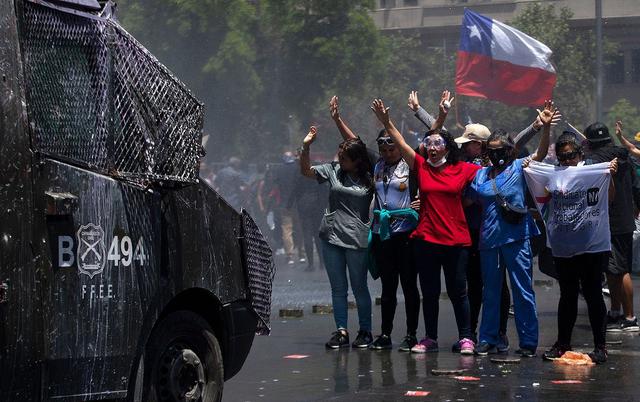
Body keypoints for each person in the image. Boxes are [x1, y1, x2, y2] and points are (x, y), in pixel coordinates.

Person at [371, 91, 480, 355]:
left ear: (447, 147)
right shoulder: (421, 166)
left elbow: (496, 175)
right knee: (429, 292)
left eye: (437, 144)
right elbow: (401, 143)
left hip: (456, 241)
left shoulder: (463, 169)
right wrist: (387, 122)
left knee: (458, 292)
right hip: (426, 240)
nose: (431, 147)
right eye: (428, 144)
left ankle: (466, 337)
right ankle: (429, 338)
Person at [328, 95, 421, 352]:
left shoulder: (411, 164)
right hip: (383, 234)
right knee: (388, 287)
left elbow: (426, 181)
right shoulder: (377, 165)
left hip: (406, 234)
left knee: (409, 285)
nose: (388, 153)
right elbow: (355, 144)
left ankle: (412, 334)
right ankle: (385, 334)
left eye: (392, 148)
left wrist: (387, 121)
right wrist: (337, 119)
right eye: (383, 149)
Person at [467, 100, 557, 357]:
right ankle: (488, 338)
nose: (497, 154)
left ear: (510, 150)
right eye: (492, 150)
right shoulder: (480, 175)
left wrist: (545, 128)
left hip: (517, 239)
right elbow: (463, 197)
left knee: (523, 291)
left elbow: (539, 155)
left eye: (502, 149)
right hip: (489, 241)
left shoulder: (519, 167)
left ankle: (528, 342)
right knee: (491, 293)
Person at [524, 132, 618, 364]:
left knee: (593, 293)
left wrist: (610, 177)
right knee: (567, 295)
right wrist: (530, 168)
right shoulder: (554, 175)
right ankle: (562, 343)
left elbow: (610, 198)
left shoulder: (594, 172)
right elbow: (542, 198)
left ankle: (600, 346)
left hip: (592, 245)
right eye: (562, 157)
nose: (566, 161)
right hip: (564, 246)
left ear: (580, 154)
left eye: (571, 156)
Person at [299, 126, 374, 349]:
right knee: (338, 288)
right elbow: (306, 172)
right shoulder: (332, 170)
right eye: (339, 157)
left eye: (344, 158)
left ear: (357, 161)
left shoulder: (370, 177)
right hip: (331, 237)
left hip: (356, 239)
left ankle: (365, 331)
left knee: (359, 286)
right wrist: (305, 147)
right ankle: (341, 330)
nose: (340, 160)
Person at [584, 121, 640, 332]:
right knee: (612, 268)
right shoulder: (625, 156)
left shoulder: (595, 160)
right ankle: (615, 311)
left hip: (610, 220)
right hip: (625, 218)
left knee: (621, 269)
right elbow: (636, 187)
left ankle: (630, 317)